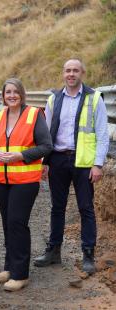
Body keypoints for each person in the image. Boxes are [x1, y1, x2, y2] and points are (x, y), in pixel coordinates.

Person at [34, 59, 109, 275]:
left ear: (82, 73)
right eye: (68, 70)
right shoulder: (53, 99)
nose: (71, 74)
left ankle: (88, 254)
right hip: (57, 159)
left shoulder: (94, 98)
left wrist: (98, 164)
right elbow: (45, 134)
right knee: (57, 208)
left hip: (84, 163)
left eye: (76, 70)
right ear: (63, 73)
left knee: (85, 208)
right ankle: (54, 251)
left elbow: (103, 135)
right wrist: (44, 162)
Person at [0, 78, 53, 291]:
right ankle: (10, 267)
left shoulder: (34, 115)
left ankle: (21, 274)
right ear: (3, 96)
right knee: (7, 223)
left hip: (25, 181)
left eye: (15, 92)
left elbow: (46, 146)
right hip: (1, 180)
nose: (11, 95)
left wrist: (20, 156)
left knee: (17, 223)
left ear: (22, 94)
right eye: (7, 92)